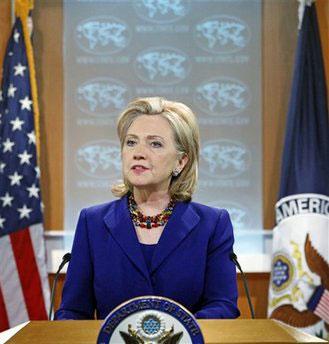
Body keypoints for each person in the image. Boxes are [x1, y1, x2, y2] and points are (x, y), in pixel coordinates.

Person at [55, 97, 240, 320]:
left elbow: (222, 305)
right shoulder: (92, 222)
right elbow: (73, 311)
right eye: (131, 142)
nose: (138, 153)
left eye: (155, 144)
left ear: (181, 162)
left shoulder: (212, 224)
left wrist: (174, 336)